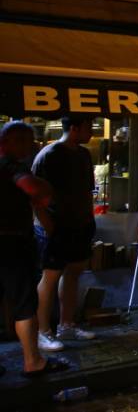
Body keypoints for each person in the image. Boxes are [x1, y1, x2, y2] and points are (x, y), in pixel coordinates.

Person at [0, 121, 69, 377]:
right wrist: (46, 189)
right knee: (23, 303)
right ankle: (33, 361)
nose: (31, 147)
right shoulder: (9, 165)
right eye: (27, 141)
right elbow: (34, 188)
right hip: (11, 243)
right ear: (11, 141)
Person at [33, 115, 97, 352]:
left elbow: (87, 191)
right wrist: (49, 226)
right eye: (88, 127)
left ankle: (67, 325)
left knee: (73, 273)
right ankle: (42, 332)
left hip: (80, 225)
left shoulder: (83, 154)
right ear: (74, 128)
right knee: (50, 277)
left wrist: (89, 219)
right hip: (55, 226)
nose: (91, 131)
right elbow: (35, 197)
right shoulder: (49, 155)